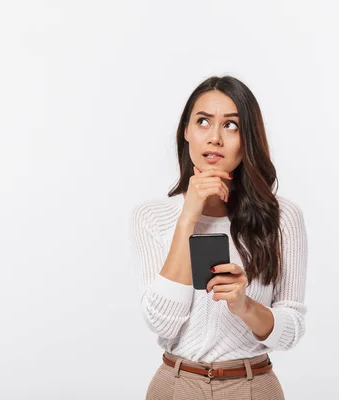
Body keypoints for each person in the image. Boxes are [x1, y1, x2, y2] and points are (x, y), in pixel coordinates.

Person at [130, 75, 308, 399]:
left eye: (231, 126)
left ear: (248, 138)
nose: (214, 138)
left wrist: (245, 306)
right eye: (203, 122)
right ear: (186, 131)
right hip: (177, 385)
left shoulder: (282, 219)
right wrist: (188, 218)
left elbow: (291, 331)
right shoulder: (152, 218)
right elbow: (163, 323)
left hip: (253, 385)